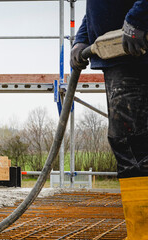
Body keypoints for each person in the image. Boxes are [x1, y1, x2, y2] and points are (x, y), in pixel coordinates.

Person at [71, 1, 148, 239]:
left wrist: (139, 17)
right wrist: (83, 36)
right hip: (119, 50)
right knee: (128, 143)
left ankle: (141, 234)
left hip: (136, 45)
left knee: (135, 145)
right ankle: (139, 232)